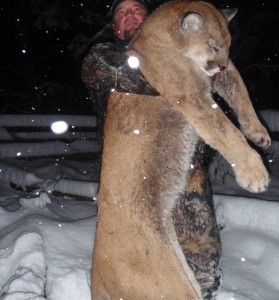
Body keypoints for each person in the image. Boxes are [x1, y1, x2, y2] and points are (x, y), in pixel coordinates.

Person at [81, 0, 221, 298]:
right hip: (128, 169)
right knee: (133, 245)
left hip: (182, 164)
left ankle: (201, 289)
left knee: (197, 248)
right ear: (115, 26)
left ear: (152, 19)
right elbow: (109, 74)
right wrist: (181, 73)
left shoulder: (183, 49)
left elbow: (208, 97)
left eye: (137, 10)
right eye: (121, 11)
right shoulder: (103, 54)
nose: (129, 15)